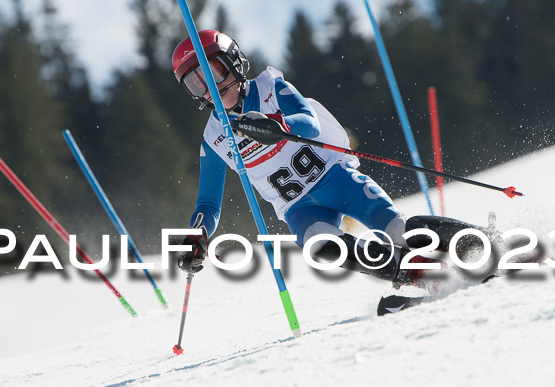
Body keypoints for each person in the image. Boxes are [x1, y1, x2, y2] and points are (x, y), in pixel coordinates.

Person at [171, 30, 489, 287]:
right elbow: (208, 204)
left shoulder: (270, 87)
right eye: (196, 82)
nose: (211, 86)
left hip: (336, 180)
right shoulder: (214, 138)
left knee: (401, 231)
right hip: (299, 209)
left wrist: (278, 126)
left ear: (235, 62)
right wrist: (196, 237)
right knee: (320, 247)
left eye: (214, 71)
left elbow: (308, 121)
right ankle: (421, 277)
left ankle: (484, 244)